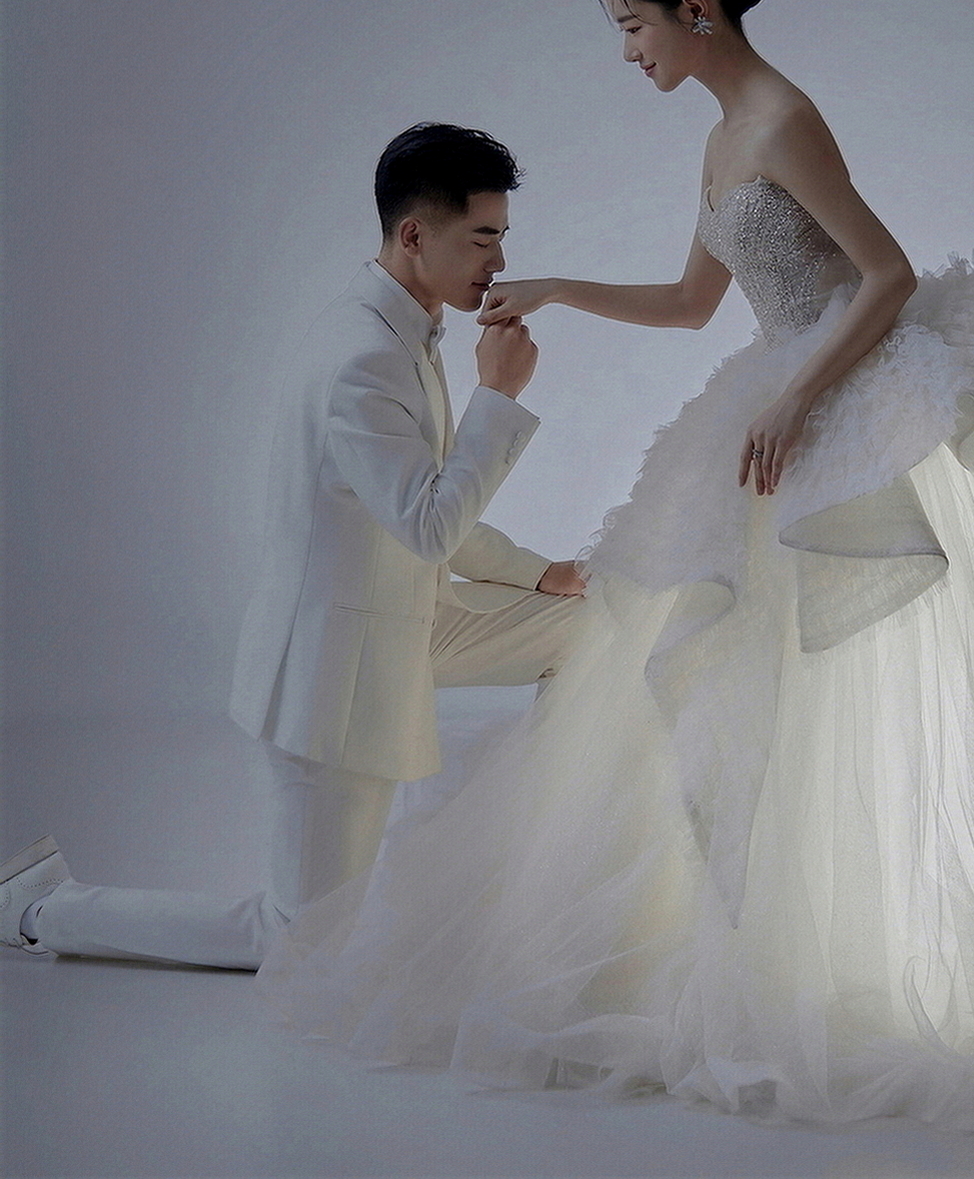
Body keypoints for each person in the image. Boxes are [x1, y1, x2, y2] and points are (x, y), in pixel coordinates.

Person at [257, 0, 974, 1142]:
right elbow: (688, 305)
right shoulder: (722, 138)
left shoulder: (781, 119)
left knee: (840, 682)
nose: (629, 52)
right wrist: (559, 289)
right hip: (779, 401)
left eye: (634, 26)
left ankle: (867, 949)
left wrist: (796, 396)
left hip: (837, 402)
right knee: (727, 676)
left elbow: (883, 276)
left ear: (698, 11)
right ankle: (758, 943)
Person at [1, 123, 585, 970]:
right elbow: (428, 523)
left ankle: (555, 869)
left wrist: (544, 576)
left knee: (597, 623)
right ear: (413, 235)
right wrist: (497, 397)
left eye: (502, 238)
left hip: (413, 623)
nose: (498, 261)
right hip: (334, 673)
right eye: (482, 238)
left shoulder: (402, 328)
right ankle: (39, 908)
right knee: (298, 943)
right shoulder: (362, 357)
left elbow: (417, 507)